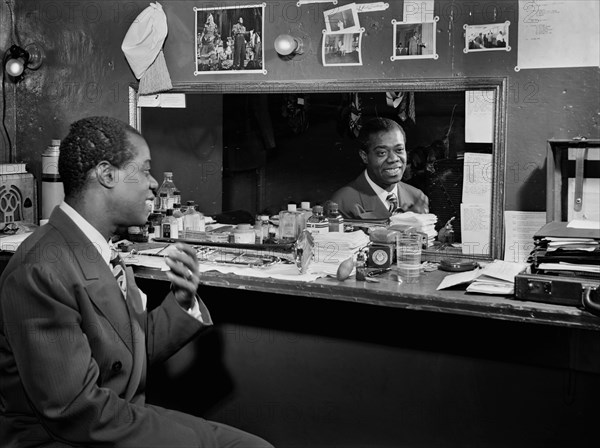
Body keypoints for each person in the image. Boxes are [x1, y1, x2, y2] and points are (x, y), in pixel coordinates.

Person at [0, 117, 273, 448]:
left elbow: (125, 350)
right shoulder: (40, 270)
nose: (154, 182)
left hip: (113, 418)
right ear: (107, 174)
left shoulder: (99, 248)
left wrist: (182, 302)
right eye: (144, 170)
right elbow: (76, 411)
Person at [330, 117, 429, 220]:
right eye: (382, 153)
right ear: (364, 156)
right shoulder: (341, 203)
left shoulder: (418, 198)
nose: (393, 159)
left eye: (399, 150)